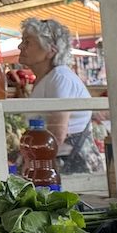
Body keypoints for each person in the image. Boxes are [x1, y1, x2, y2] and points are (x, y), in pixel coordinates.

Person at [17, 18, 100, 173]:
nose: (20, 46)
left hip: (70, 166)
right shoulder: (47, 78)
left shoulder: (59, 78)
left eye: (28, 42)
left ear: (51, 50)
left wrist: (36, 167)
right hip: (54, 162)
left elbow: (56, 134)